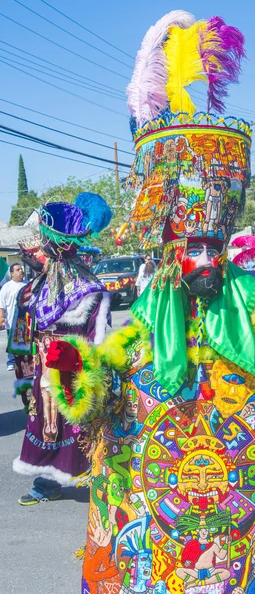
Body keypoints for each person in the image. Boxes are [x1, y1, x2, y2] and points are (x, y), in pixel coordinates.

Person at [44, 12, 255, 594]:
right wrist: (77, 377)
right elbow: (101, 400)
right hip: (162, 517)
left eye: (212, 229)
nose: (201, 249)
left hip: (253, 514)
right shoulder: (147, 317)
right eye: (189, 233)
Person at [10, 193, 112, 506]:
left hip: (75, 371)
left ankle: (101, 483)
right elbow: (26, 331)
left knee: (78, 426)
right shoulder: (39, 286)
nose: (40, 249)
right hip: (44, 371)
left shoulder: (88, 287)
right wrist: (26, 366)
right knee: (44, 425)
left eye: (45, 243)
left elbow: (101, 338)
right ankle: (45, 484)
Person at [0, 263, 25, 370]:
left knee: (24, 341)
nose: (21, 271)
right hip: (11, 320)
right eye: (18, 270)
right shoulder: (6, 287)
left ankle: (24, 362)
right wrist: (1, 317)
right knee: (12, 342)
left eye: (21, 269)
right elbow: (1, 304)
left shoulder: (27, 284)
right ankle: (11, 361)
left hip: (25, 320)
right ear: (11, 273)